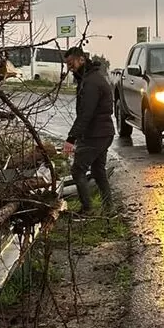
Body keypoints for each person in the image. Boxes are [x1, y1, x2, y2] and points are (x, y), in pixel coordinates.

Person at [63, 46, 115, 213]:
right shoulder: (91, 78)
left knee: (77, 170)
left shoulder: (91, 83)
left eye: (72, 63)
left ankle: (87, 209)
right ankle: (109, 208)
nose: (70, 68)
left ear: (82, 60)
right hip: (103, 132)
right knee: (98, 170)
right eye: (67, 64)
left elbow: (86, 114)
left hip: (96, 134)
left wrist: (71, 138)